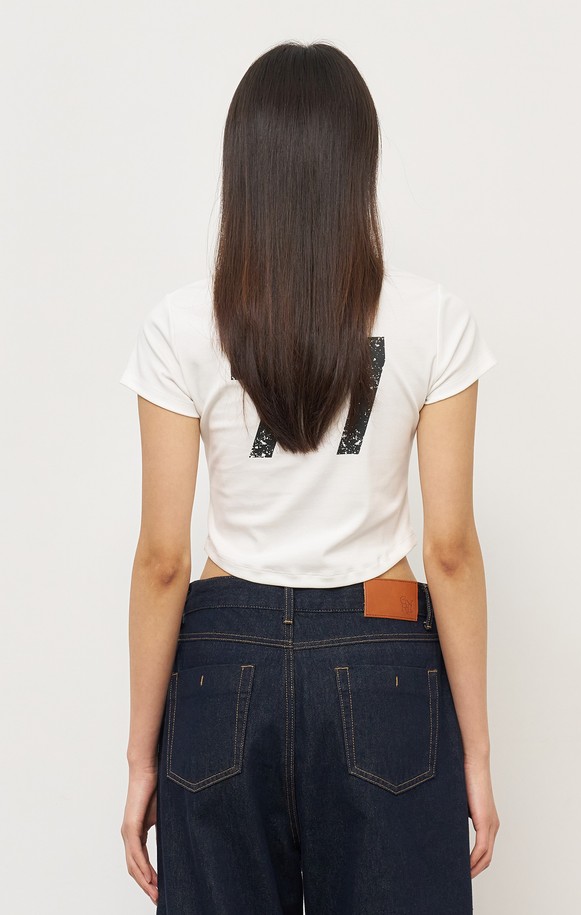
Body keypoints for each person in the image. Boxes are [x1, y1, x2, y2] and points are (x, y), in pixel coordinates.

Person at [118, 40, 500, 915]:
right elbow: (449, 550)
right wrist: (476, 755)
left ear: (243, 168)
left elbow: (162, 561)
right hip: (384, 653)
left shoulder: (181, 323)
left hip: (222, 665)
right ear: (358, 164)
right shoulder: (434, 319)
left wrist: (141, 759)